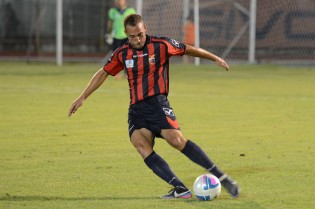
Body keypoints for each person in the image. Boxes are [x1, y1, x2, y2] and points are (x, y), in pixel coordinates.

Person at [69, 14, 240, 199]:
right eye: (132, 36)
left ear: (145, 29)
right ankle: (180, 189)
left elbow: (189, 49)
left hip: (157, 103)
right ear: (126, 34)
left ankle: (222, 177)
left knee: (176, 141)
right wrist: (83, 97)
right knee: (141, 145)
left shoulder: (161, 45)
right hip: (136, 109)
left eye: (140, 34)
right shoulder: (122, 53)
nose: (137, 39)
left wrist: (215, 58)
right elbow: (103, 73)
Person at [106, 0, 136, 79]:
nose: (119, 2)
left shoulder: (130, 11)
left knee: (128, 55)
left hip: (127, 36)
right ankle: (116, 73)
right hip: (116, 37)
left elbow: (134, 23)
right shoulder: (113, 11)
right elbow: (110, 23)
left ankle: (128, 73)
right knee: (116, 56)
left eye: (121, 0)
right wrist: (108, 33)